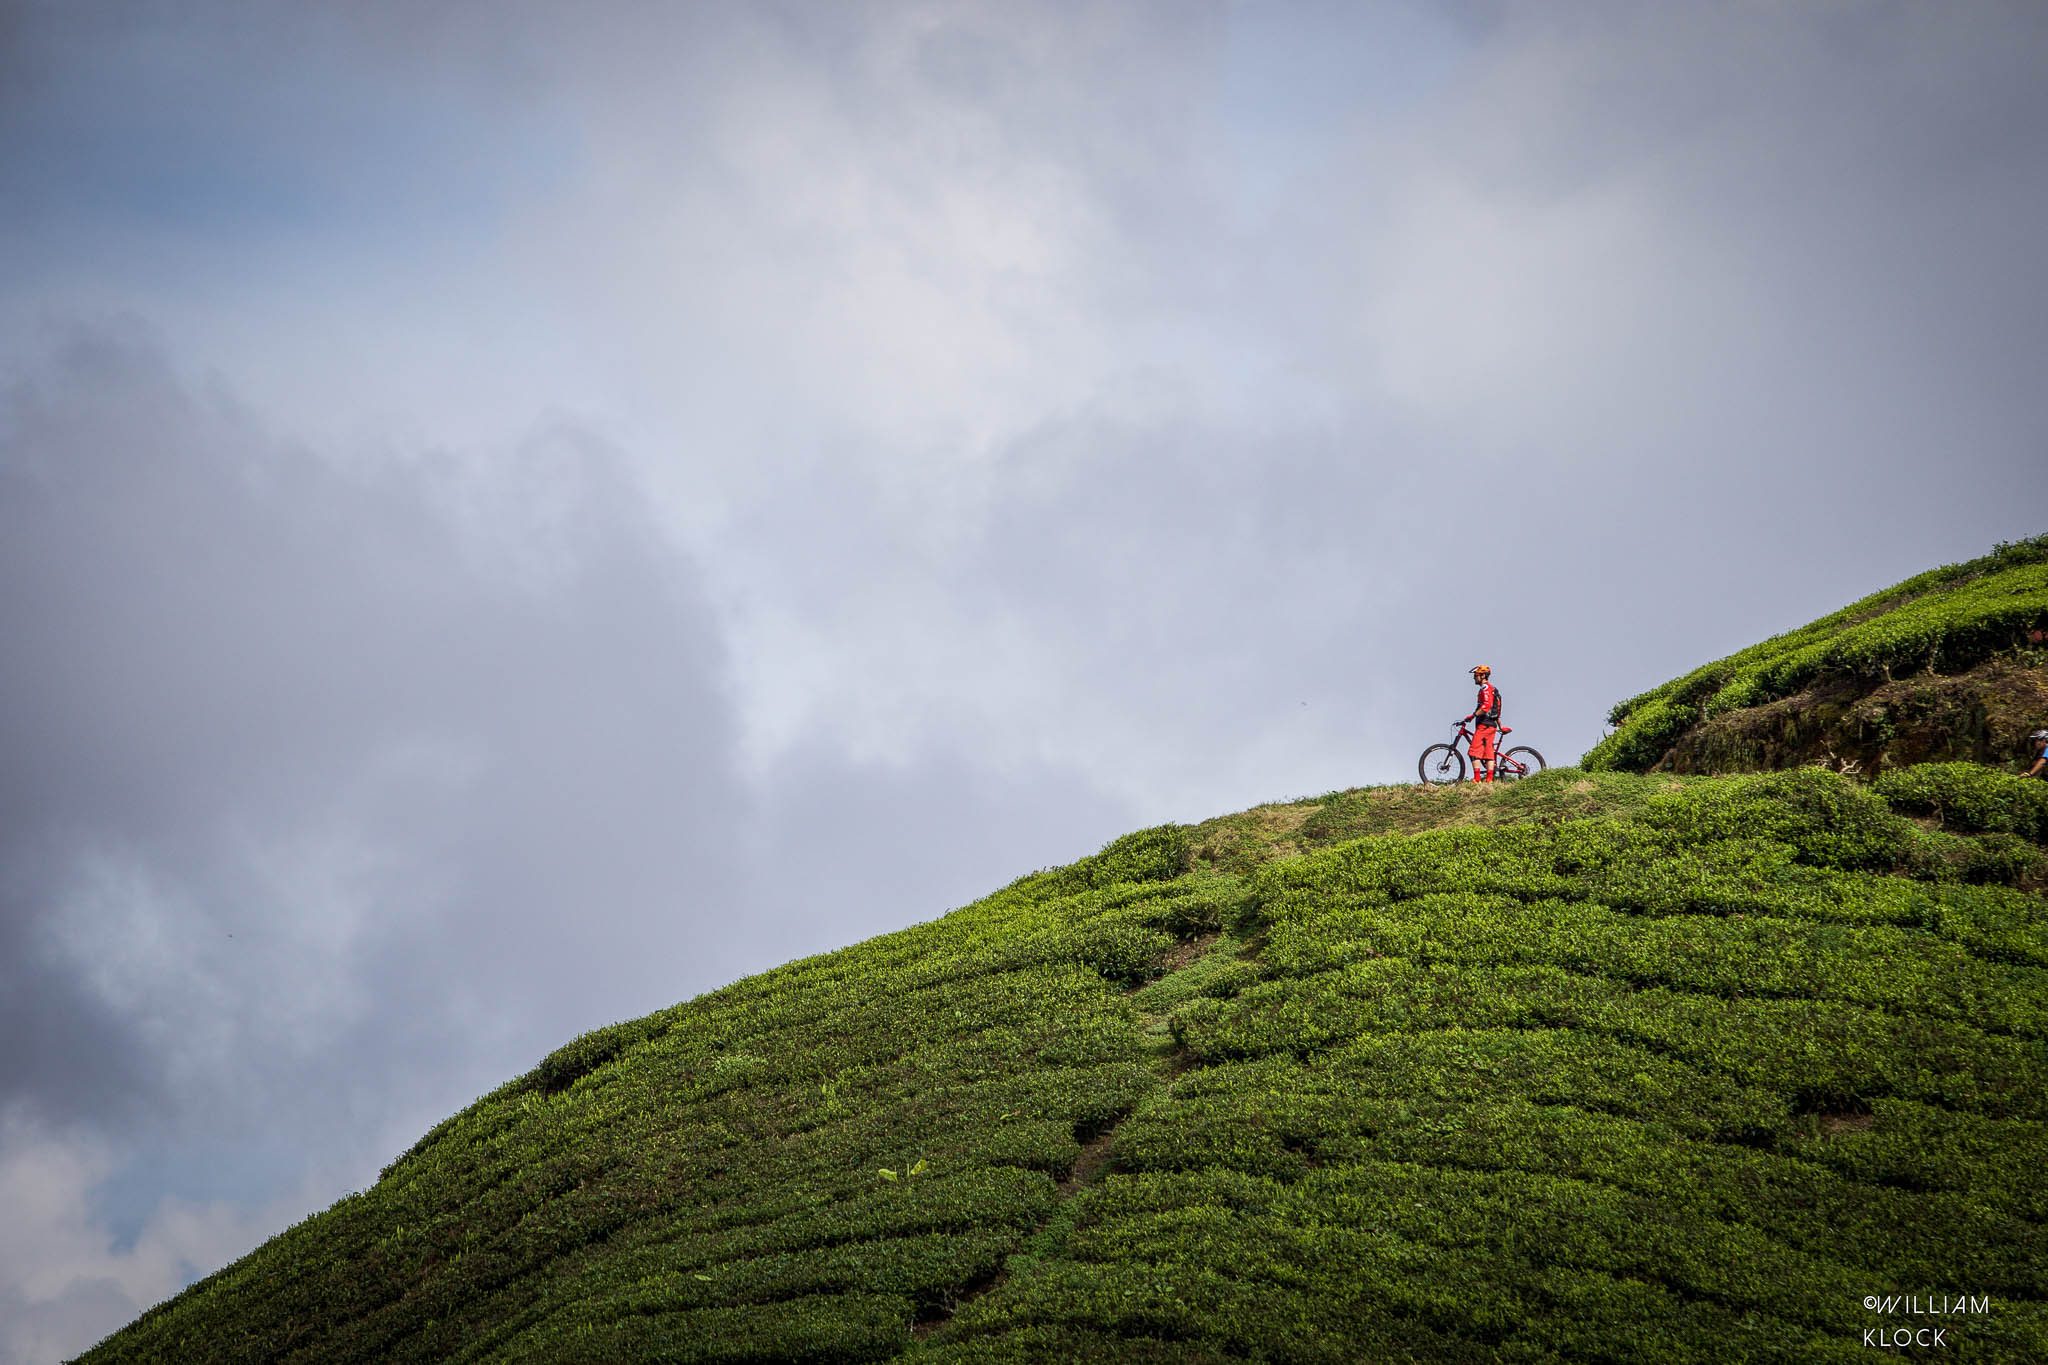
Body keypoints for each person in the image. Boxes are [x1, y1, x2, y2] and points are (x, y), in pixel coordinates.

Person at [1463, 664, 1503, 782]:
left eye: (1476, 675)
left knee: (1473, 751)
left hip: (1484, 724)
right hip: (1492, 725)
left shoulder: (1485, 688)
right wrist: (1500, 726)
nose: (1474, 678)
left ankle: (1477, 779)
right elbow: (1495, 709)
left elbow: (1486, 706)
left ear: (1483, 676)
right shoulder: (1492, 689)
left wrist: (1472, 715)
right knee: (1488, 752)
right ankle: (1489, 780)